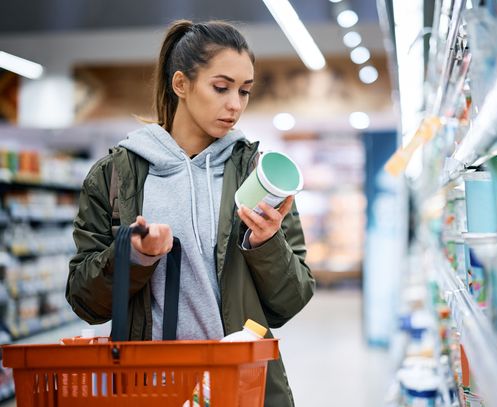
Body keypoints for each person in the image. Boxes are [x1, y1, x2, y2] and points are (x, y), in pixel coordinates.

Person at [66, 19, 315, 406]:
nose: (235, 104)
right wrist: (134, 256)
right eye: (221, 87)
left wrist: (266, 243)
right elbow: (84, 300)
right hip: (150, 388)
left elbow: (291, 300)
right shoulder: (116, 176)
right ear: (180, 84)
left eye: (245, 91)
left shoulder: (257, 175)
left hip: (241, 387)